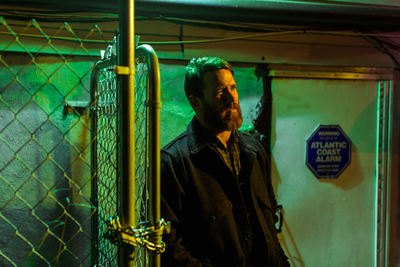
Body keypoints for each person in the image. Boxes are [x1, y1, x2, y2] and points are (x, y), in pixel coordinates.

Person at [160, 56, 290, 267]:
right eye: (220, 92)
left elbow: (269, 220)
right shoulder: (173, 163)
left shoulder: (254, 151)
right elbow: (167, 245)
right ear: (196, 102)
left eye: (233, 87)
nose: (232, 99)